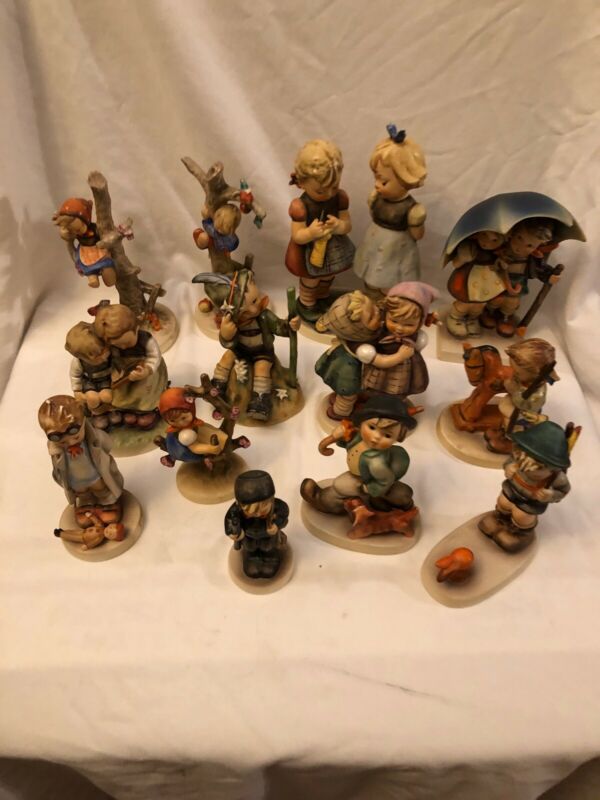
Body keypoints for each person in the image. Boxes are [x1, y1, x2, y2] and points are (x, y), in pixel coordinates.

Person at [300, 395, 418, 526]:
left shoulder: (377, 462)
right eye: (372, 428)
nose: (375, 437)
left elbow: (385, 479)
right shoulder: (358, 438)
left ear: (399, 437)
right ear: (362, 422)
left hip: (363, 481)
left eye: (387, 435)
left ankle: (324, 501)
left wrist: (369, 489)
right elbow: (347, 443)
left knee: (340, 485)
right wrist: (338, 435)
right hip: (359, 475)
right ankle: (375, 502)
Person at [354, 125, 427, 297]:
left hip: (396, 251)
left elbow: (417, 235)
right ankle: (371, 303)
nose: (377, 185)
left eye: (384, 181)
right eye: (376, 178)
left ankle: (389, 307)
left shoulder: (412, 209)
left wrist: (416, 222)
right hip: (374, 245)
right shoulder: (376, 197)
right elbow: (375, 215)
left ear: (405, 180)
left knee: (392, 285)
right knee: (370, 280)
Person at [285, 139, 354, 321]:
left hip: (332, 248)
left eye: (334, 187)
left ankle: (322, 296)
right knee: (311, 279)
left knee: (329, 276)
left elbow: (347, 224)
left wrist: (339, 226)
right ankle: (307, 303)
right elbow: (297, 235)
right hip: (310, 252)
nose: (330, 194)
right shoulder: (300, 206)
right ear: (301, 183)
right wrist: (310, 233)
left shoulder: (339, 198)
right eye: (321, 191)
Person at [479, 421, 573, 552]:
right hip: (511, 490)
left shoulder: (557, 477)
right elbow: (508, 462)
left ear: (552, 467)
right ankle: (499, 519)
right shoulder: (517, 457)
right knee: (503, 503)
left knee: (522, 516)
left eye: (538, 468)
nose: (526, 469)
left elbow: (563, 491)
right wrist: (508, 468)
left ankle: (519, 534)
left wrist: (550, 495)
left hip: (530, 502)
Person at [38, 394, 124, 528]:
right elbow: (58, 468)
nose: (70, 442)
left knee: (101, 488)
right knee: (83, 494)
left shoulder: (94, 438)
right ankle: (86, 505)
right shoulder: (57, 452)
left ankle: (107, 502)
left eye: (75, 435)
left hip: (95, 473)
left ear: (83, 423)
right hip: (75, 480)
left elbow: (107, 444)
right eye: (60, 439)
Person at [93, 304, 168, 429]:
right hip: (124, 371)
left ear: (136, 329)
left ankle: (147, 411)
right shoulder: (111, 344)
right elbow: (112, 358)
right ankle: (127, 409)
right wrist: (116, 370)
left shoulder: (146, 339)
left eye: (127, 343)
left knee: (144, 390)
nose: (123, 347)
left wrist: (146, 370)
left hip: (145, 370)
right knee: (121, 392)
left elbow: (154, 356)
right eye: (118, 345)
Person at [225, 470, 289, 579]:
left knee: (268, 548)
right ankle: (251, 558)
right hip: (248, 536)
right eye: (252, 512)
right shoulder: (236, 510)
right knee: (250, 550)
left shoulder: (277, 506)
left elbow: (283, 513)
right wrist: (233, 532)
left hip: (268, 537)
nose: (258, 514)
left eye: (263, 510)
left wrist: (277, 525)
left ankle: (270, 558)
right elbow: (230, 520)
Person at [53, 197, 117, 288]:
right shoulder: (74, 233)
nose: (78, 232)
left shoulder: (95, 228)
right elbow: (67, 236)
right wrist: (65, 232)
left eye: (79, 228)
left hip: (98, 249)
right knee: (88, 267)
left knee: (105, 264)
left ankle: (109, 275)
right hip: (85, 252)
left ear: (86, 220)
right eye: (74, 231)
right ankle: (93, 279)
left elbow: (104, 235)